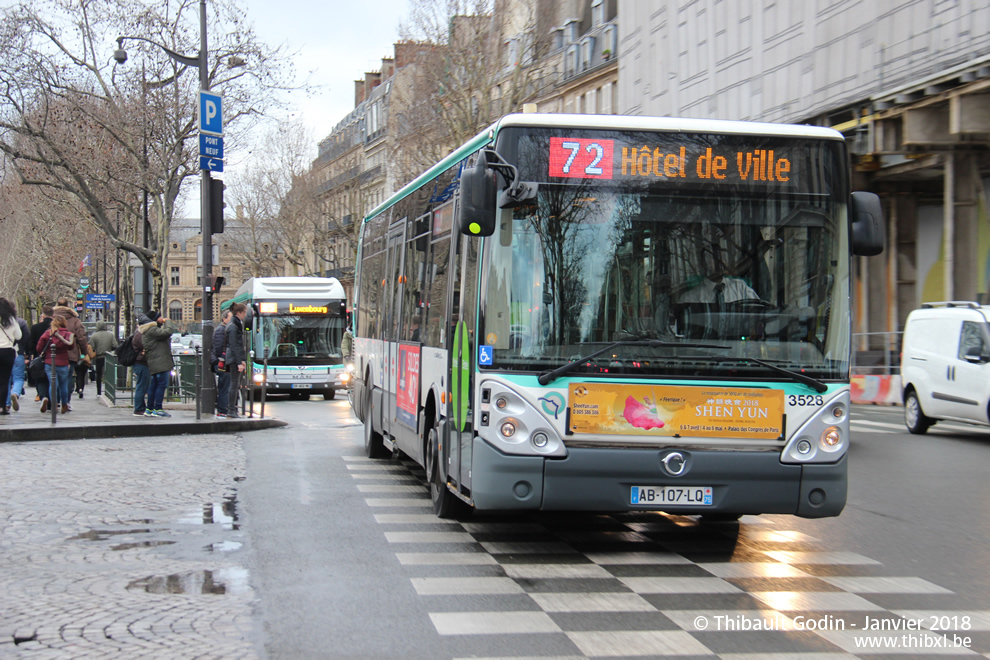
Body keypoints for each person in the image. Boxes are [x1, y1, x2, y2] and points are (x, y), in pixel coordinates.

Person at [140, 311, 176, 418]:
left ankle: (149, 408)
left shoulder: (148, 330)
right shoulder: (152, 330)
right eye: (159, 317)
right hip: (160, 363)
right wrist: (168, 322)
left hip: (155, 362)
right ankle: (158, 409)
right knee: (161, 385)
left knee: (154, 385)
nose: (161, 318)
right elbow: (168, 332)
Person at [53, 298, 90, 402]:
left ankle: (56, 401)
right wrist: (84, 352)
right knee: (68, 377)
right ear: (68, 306)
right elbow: (81, 337)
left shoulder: (52, 317)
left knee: (53, 377)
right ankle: (66, 402)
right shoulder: (75, 319)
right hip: (71, 352)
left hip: (53, 353)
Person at [36, 314, 74, 414]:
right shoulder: (68, 334)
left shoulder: (48, 333)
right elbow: (71, 347)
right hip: (64, 362)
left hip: (50, 362)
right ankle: (64, 403)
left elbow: (39, 347)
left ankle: (54, 404)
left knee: (53, 384)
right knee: (63, 385)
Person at [0, 298, 23, 415]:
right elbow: (19, 336)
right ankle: (2, 406)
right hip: (7, 351)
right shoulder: (11, 320)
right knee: (4, 380)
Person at [224, 302, 247, 418]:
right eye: (244, 312)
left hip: (234, 357)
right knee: (234, 384)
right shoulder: (233, 326)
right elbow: (234, 345)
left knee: (235, 384)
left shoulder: (235, 324)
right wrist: (239, 362)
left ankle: (232, 409)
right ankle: (231, 409)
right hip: (233, 358)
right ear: (239, 313)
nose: (245, 315)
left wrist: (241, 360)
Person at [6, 311, 30, 412]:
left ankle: (6, 403)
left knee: (5, 379)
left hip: (5, 351)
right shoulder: (21, 323)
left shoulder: (3, 322)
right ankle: (15, 393)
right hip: (18, 353)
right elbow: (27, 338)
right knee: (19, 378)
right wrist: (27, 353)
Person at [29, 305, 53, 401]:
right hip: (53, 356)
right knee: (52, 378)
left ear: (43, 316)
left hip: (39, 356)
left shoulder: (35, 328)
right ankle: (53, 400)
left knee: (40, 378)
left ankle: (42, 396)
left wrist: (32, 354)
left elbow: (31, 343)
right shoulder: (55, 328)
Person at [88, 321, 118, 397]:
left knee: (98, 374)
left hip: (98, 357)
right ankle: (109, 391)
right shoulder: (110, 335)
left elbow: (92, 347)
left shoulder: (94, 336)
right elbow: (115, 345)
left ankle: (99, 392)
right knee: (109, 374)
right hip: (108, 357)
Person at [212, 309, 231, 418]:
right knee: (224, 387)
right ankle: (223, 410)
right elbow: (219, 349)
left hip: (224, 362)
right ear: (224, 319)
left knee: (225, 386)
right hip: (223, 363)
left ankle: (224, 409)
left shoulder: (224, 329)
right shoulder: (221, 330)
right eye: (230, 317)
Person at [131, 314, 152, 416]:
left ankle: (140, 407)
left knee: (142, 386)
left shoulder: (137, 333)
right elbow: (146, 346)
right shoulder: (140, 335)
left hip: (140, 362)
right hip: (142, 362)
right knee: (142, 386)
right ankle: (139, 408)